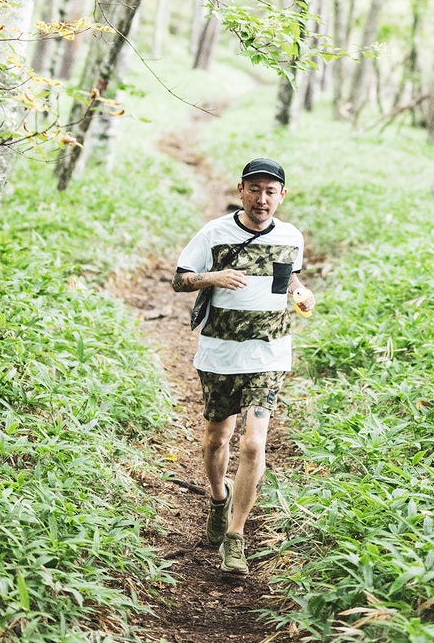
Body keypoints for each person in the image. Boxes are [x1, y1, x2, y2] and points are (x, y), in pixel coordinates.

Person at [172, 157, 315, 575]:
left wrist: (302, 291)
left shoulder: (292, 236)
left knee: (253, 443)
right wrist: (214, 278)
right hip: (219, 352)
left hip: (269, 353)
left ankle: (235, 537)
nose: (262, 198)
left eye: (271, 191)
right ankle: (219, 498)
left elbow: (287, 279)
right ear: (241, 191)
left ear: (282, 195)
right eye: (255, 189)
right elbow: (179, 279)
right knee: (218, 438)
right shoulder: (215, 232)